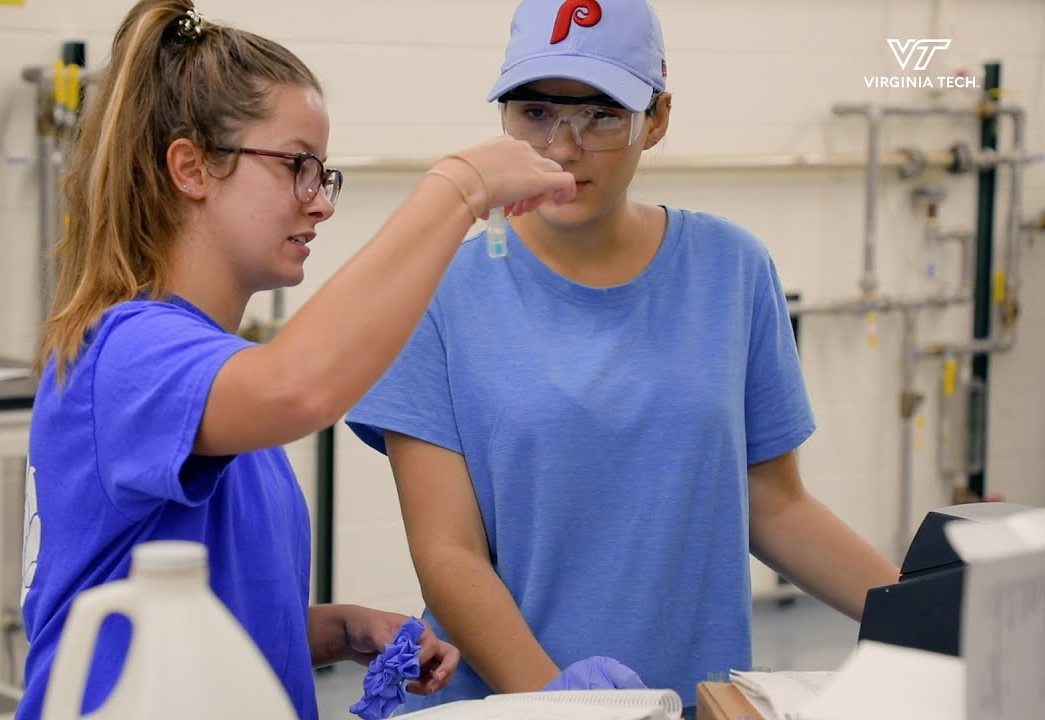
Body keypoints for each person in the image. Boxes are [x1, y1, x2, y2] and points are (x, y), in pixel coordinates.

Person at [15, 2, 576, 719]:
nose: (320, 203)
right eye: (296, 166)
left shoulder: (212, 378)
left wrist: (336, 630)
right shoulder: (127, 352)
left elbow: (200, 625)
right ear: (191, 168)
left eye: (323, 173)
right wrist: (460, 187)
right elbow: (300, 388)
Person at [346, 0, 902, 711]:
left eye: (602, 115)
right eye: (536, 112)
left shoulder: (731, 270)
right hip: (513, 704)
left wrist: (924, 617)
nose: (562, 147)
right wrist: (559, 701)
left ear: (657, 118)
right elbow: (448, 553)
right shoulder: (439, 291)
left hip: (691, 699)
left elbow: (775, 504)